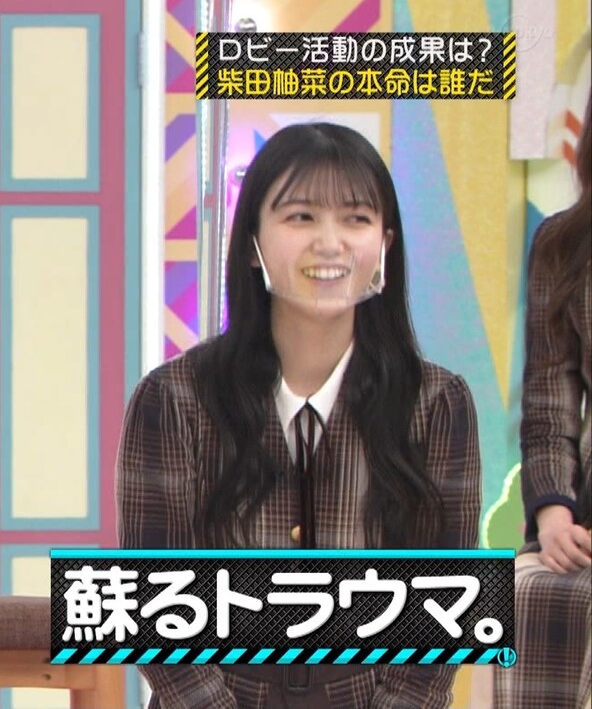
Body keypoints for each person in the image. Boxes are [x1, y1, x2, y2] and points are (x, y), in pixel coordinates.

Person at [117, 122, 481, 709]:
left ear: (385, 243)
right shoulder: (173, 399)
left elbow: (443, 619)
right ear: (252, 243)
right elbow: (153, 610)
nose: (330, 243)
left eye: (356, 219)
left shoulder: (437, 403)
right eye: (301, 217)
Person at [497, 92, 592, 709]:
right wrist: (554, 513)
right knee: (523, 592)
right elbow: (550, 404)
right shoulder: (563, 243)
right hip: (585, 515)